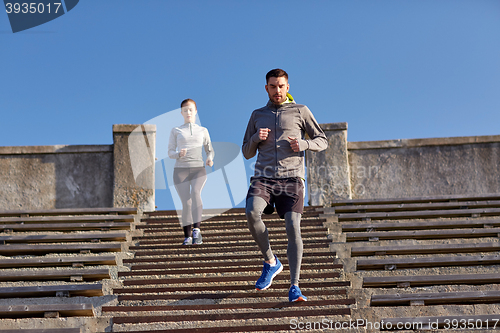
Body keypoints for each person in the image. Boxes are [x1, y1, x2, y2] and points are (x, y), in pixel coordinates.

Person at [242, 69, 328, 302]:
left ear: (287, 87)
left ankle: (294, 286)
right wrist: (255, 138)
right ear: (266, 88)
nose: (277, 90)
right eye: (272, 86)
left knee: (293, 225)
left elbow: (322, 140)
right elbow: (246, 152)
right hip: (264, 178)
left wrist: (304, 144)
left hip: (292, 178)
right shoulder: (257, 114)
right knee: (251, 212)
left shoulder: (301, 110)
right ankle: (271, 261)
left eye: (281, 86)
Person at [168, 99, 214, 245]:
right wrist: (177, 154)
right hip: (180, 170)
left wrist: (209, 158)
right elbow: (169, 151)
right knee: (186, 203)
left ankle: (197, 230)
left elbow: (209, 149)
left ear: (195, 111)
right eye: (185, 110)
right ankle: (187, 236)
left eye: (191, 109)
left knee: (195, 192)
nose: (188, 112)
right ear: (181, 113)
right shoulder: (176, 130)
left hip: (198, 168)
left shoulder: (203, 130)